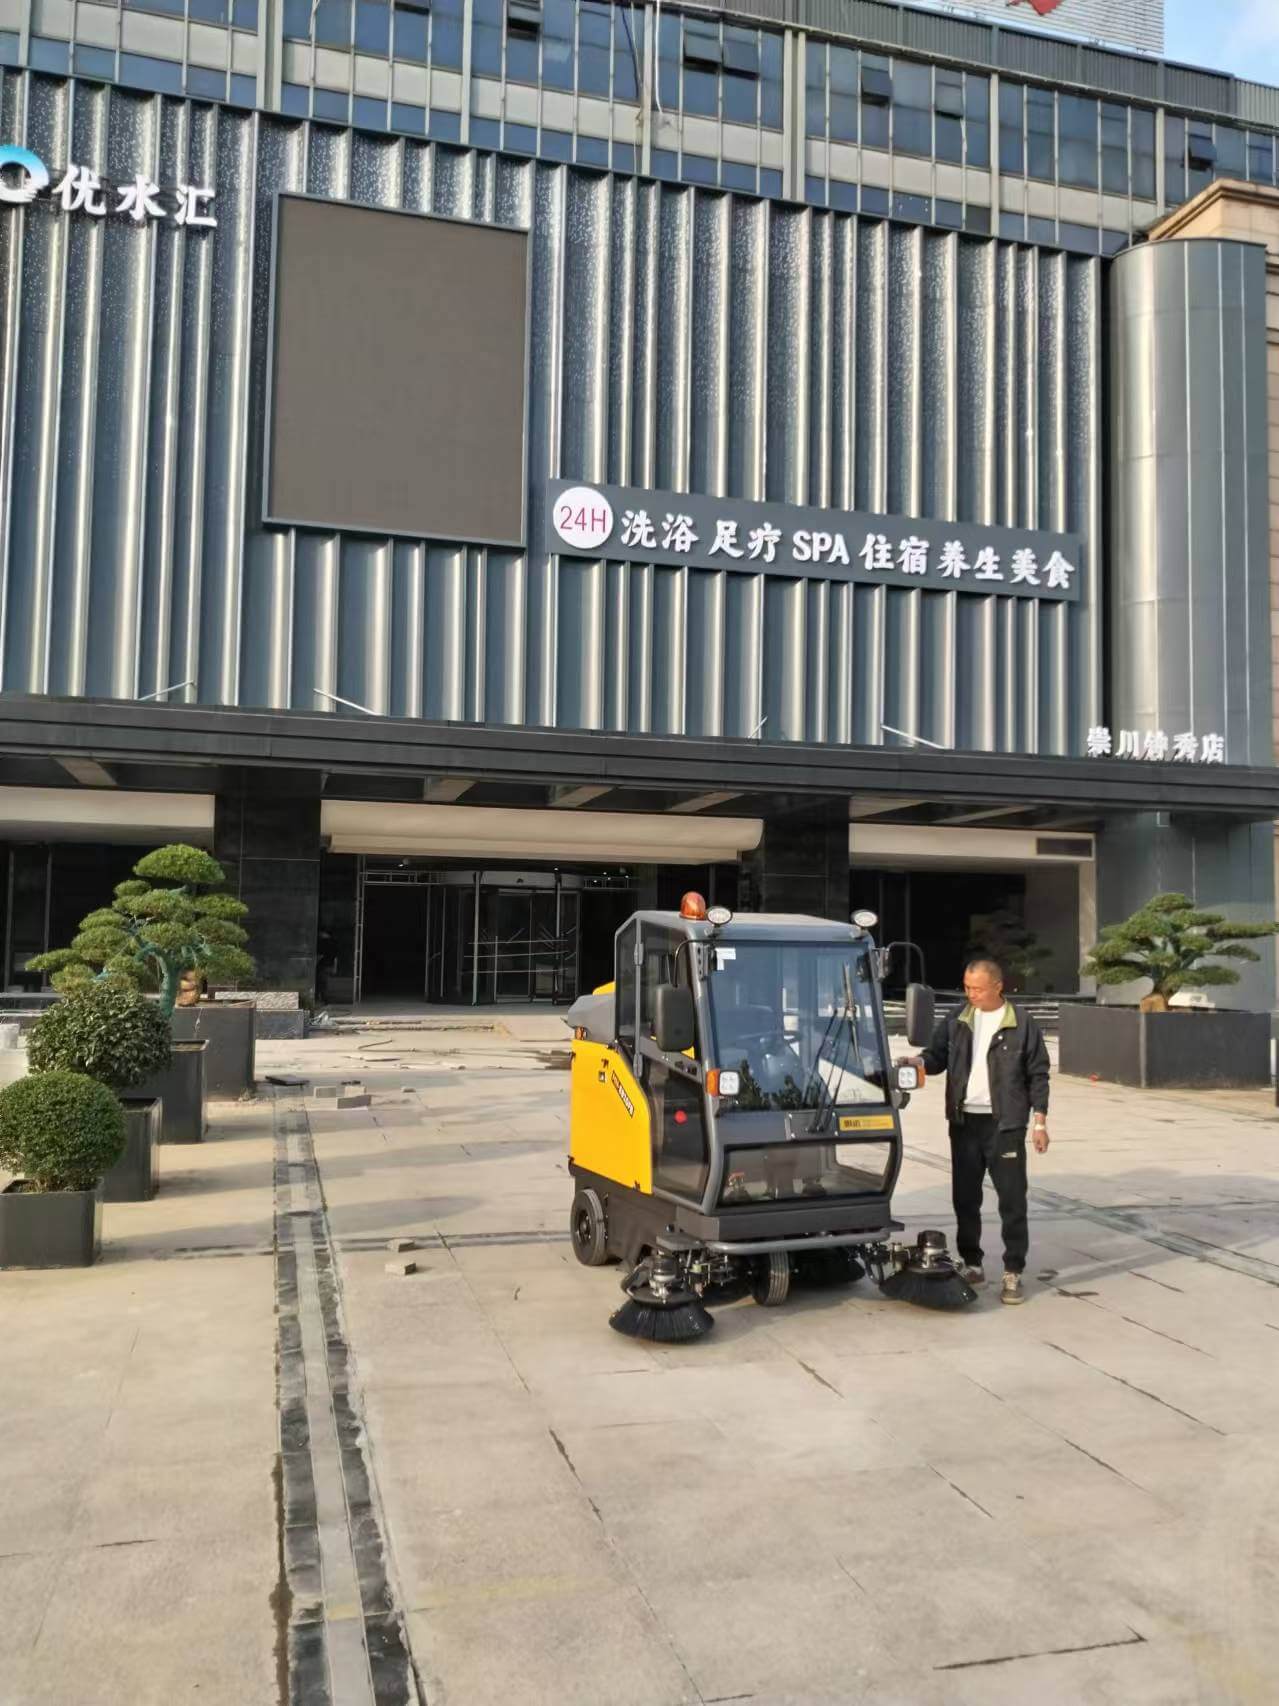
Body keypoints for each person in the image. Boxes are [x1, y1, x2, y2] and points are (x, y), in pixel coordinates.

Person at [905, 958, 1050, 1305]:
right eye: (967, 987)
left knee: (1012, 1200)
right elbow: (936, 1056)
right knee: (966, 1198)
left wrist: (1040, 1122)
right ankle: (972, 1263)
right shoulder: (958, 1018)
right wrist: (919, 1062)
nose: (971, 994)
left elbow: (1038, 1074)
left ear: (997, 986)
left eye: (978, 989)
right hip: (964, 1123)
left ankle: (1013, 1270)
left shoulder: (1022, 1023)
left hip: (1005, 1125)